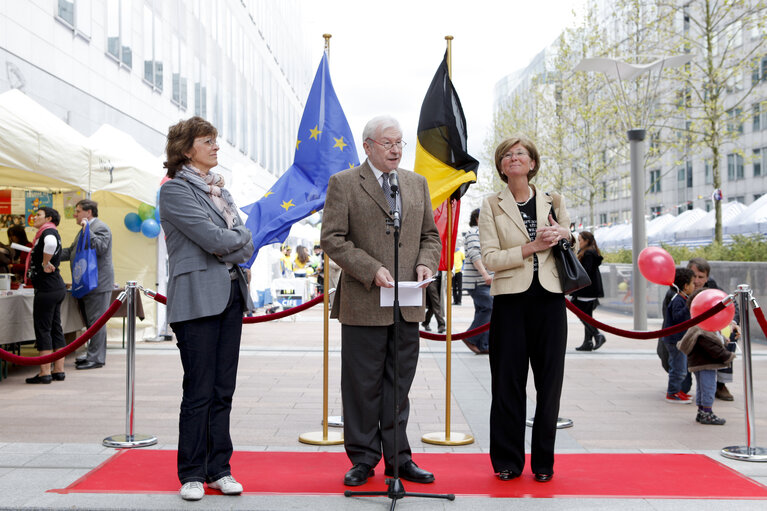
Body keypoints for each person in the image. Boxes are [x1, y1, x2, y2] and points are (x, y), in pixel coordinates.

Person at [321, 115, 441, 487]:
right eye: (388, 143)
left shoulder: (416, 184)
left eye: (400, 143)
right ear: (368, 146)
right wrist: (371, 269)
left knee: (398, 387)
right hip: (364, 300)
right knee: (361, 386)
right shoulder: (344, 184)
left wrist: (425, 263)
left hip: (406, 303)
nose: (396, 149)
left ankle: (398, 458)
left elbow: (430, 237)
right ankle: (363, 458)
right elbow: (333, 238)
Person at [160, 116, 254, 501]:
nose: (216, 147)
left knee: (223, 390)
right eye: (208, 141)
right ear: (186, 150)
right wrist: (239, 239)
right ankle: (192, 473)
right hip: (196, 299)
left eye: (216, 140)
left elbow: (243, 241)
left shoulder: (221, 190)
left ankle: (220, 469)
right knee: (198, 389)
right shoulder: (175, 191)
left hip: (231, 295)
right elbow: (214, 239)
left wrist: (237, 240)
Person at [480, 135, 573, 483]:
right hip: (510, 303)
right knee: (507, 383)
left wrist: (563, 235)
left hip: (550, 301)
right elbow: (489, 257)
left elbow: (570, 244)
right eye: (507, 155)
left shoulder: (554, 200)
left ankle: (544, 463)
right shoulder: (492, 205)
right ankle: (507, 460)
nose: (513, 158)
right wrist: (532, 246)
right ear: (502, 167)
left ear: (532, 163)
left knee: (550, 384)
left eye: (520, 153)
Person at [60, 199, 114, 370]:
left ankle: (96, 358)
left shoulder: (100, 227)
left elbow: (101, 248)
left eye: (78, 211)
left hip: (98, 283)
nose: (75, 215)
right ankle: (92, 354)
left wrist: (87, 229)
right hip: (86, 283)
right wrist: (51, 254)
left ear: (88, 212)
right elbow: (71, 251)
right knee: (91, 323)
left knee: (97, 322)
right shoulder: (84, 229)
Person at [677, 289, 735, 425]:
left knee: (702, 387)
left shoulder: (700, 326)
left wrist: (722, 339)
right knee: (709, 387)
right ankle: (707, 413)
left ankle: (702, 411)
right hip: (706, 363)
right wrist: (728, 356)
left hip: (699, 363)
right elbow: (711, 347)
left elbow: (713, 339)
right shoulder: (702, 330)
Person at [25, 207, 67, 384]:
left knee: (43, 328)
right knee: (55, 327)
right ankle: (59, 370)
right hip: (56, 286)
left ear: (48, 218)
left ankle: (44, 372)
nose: (34, 217)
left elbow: (49, 244)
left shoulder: (48, 232)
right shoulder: (51, 231)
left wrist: (44, 262)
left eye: (38, 215)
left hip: (47, 287)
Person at [688, 257, 738, 402]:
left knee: (729, 336)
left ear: (707, 278)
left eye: (700, 277)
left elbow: (732, 305)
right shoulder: (678, 290)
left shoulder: (713, 289)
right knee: (683, 385)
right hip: (686, 338)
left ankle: (720, 384)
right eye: (693, 276)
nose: (696, 281)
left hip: (709, 334)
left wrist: (732, 323)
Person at [661, 267, 695, 404]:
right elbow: (678, 317)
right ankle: (673, 392)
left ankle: (677, 390)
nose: (694, 286)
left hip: (679, 339)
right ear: (686, 286)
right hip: (675, 340)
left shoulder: (682, 298)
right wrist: (689, 306)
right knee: (678, 368)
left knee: (680, 366)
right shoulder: (678, 300)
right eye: (692, 283)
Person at [461, 208, 492, 354]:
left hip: (482, 281)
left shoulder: (483, 234)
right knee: (489, 308)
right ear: (477, 219)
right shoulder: (474, 233)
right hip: (479, 281)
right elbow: (474, 254)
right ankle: (471, 337)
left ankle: (483, 345)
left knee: (483, 311)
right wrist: (485, 274)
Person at [571, 231, 606, 351]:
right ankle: (588, 342)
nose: (579, 242)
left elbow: (585, 272)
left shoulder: (588, 253)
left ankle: (597, 335)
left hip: (586, 291)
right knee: (587, 315)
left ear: (586, 241)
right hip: (589, 290)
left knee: (583, 314)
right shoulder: (589, 251)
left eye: (580, 240)